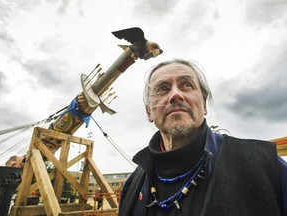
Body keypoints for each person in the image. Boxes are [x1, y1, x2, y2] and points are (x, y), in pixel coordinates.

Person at [118, 59, 287, 216]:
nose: (175, 95)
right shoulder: (133, 186)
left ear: (204, 105)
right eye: (162, 88)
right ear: (149, 112)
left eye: (186, 85)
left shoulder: (265, 165)